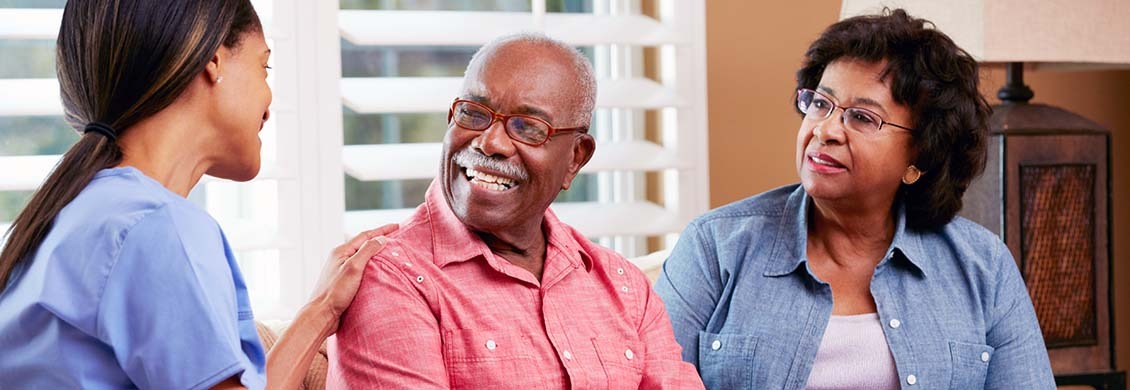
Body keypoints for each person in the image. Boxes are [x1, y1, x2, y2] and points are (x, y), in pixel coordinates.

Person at [0, 1, 396, 389]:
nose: (269, 103)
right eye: (265, 66)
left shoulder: (77, 212)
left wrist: (322, 310)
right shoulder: (157, 227)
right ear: (214, 60)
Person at [655, 9, 1055, 390]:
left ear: (920, 157)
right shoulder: (715, 247)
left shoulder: (983, 267)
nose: (825, 131)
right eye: (820, 104)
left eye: (862, 117)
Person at [327, 33, 703, 389]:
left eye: (527, 127)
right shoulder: (390, 277)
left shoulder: (624, 286)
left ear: (575, 158)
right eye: (474, 114)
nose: (490, 143)